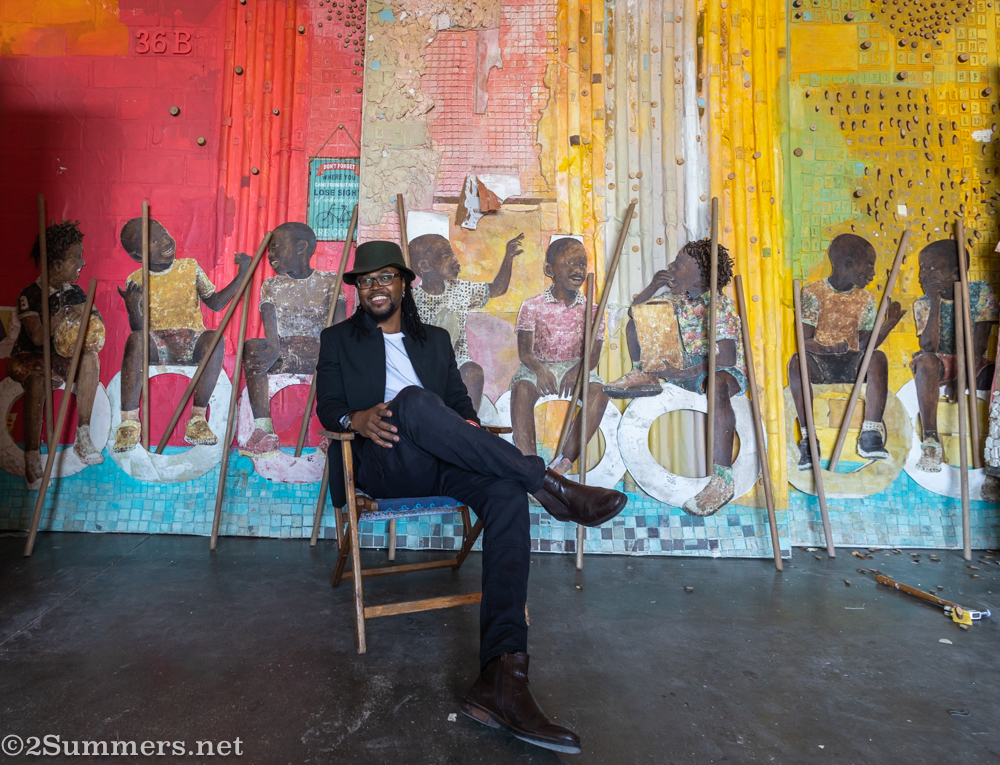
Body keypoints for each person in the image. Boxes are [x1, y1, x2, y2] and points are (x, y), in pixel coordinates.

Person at [315, 241, 627, 754]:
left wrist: (468, 431)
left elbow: (461, 407)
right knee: (413, 401)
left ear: (403, 283)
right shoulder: (338, 340)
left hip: (442, 460)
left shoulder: (435, 340)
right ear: (358, 290)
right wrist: (356, 419)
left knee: (504, 494)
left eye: (385, 277)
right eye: (365, 280)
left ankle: (502, 679)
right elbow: (329, 407)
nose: (375, 287)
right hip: (383, 460)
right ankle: (548, 484)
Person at [603, 239, 746, 516]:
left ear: (702, 273)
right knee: (638, 320)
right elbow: (636, 313)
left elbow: (726, 357)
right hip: (681, 370)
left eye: (680, 263)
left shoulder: (718, 305)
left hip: (718, 371)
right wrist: (653, 287)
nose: (671, 266)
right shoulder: (675, 299)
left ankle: (722, 480)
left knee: (717, 383)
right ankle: (642, 373)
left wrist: (683, 373)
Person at [113, 218, 250, 453]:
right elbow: (139, 330)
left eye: (164, 233)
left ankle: (197, 419)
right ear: (138, 256)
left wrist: (242, 275)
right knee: (135, 341)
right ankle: (129, 422)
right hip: (157, 343)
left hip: (191, 341)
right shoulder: (136, 280)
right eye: (154, 241)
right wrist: (132, 306)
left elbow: (215, 304)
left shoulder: (190, 267)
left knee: (215, 337)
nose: (164, 241)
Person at [787, 233, 903, 469]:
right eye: (869, 266)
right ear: (848, 263)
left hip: (851, 364)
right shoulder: (813, 293)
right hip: (820, 362)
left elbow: (865, 346)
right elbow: (804, 341)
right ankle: (809, 440)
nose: (872, 273)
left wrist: (887, 325)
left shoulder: (867, 299)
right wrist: (826, 349)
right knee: (797, 361)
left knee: (878, 358)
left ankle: (870, 434)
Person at [239, 222, 346, 457]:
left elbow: (340, 329)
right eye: (268, 250)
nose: (270, 255)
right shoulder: (271, 285)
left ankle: (335, 428)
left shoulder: (330, 282)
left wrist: (330, 352)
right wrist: (273, 348)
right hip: (283, 351)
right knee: (252, 347)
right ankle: (263, 428)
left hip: (321, 352)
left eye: (275, 247)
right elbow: (269, 323)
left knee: (347, 353)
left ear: (301, 247)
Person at [11, 221, 105, 488]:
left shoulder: (75, 293)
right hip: (29, 358)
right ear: (56, 264)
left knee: (90, 359)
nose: (82, 263)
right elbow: (39, 338)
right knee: (37, 379)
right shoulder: (30, 294)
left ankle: (83, 434)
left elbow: (95, 330)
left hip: (62, 359)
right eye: (76, 257)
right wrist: (62, 314)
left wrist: (85, 314)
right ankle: (32, 456)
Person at [510, 237, 607, 472]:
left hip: (578, 365)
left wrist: (577, 371)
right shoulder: (532, 305)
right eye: (570, 263)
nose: (578, 270)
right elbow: (525, 352)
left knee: (599, 391)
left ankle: (564, 461)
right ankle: (529, 467)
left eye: (583, 264)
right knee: (522, 390)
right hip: (537, 364)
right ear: (549, 270)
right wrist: (541, 371)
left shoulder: (593, 309)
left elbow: (593, 357)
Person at [410, 231, 523, 412]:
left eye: (452, 253)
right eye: (446, 255)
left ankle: (468, 424)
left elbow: (497, 289)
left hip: (456, 362)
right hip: (425, 364)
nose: (455, 260)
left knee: (474, 372)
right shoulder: (412, 301)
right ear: (425, 266)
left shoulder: (460, 289)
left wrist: (508, 257)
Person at [911, 239, 997, 472]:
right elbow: (929, 346)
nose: (923, 274)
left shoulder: (979, 291)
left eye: (931, 267)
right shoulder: (923, 303)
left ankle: (994, 455)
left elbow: (980, 340)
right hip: (940, 361)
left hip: (972, 359)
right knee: (926, 362)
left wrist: (962, 380)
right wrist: (936, 304)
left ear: (956, 271)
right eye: (922, 268)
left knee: (994, 375)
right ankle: (931, 442)